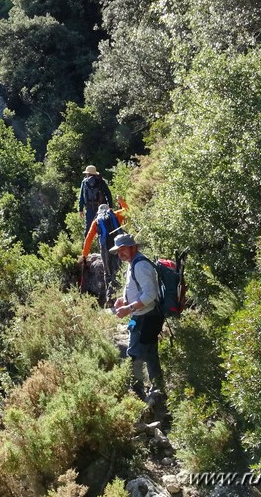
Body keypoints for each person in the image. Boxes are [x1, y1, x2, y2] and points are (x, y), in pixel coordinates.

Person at [110, 233, 165, 400]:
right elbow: (139, 288)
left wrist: (129, 308)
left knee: (134, 354)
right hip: (144, 316)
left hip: (145, 317)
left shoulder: (140, 265)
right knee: (149, 352)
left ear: (133, 247)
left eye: (123, 249)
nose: (120, 254)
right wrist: (124, 299)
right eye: (118, 251)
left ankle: (137, 394)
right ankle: (158, 389)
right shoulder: (133, 262)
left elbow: (150, 294)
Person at [81, 196, 128, 304]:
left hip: (105, 248)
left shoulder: (97, 221)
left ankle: (110, 299)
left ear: (99, 212)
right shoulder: (115, 214)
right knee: (118, 270)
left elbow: (88, 239)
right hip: (118, 245)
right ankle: (119, 296)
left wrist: (84, 255)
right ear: (108, 209)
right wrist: (121, 201)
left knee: (108, 272)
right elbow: (127, 210)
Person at [78, 165, 113, 238]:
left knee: (88, 228)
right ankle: (106, 244)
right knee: (105, 225)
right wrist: (110, 206)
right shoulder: (101, 181)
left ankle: (85, 248)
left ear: (88, 173)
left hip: (89, 208)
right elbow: (108, 194)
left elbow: (81, 197)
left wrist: (80, 209)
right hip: (102, 208)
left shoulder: (84, 182)